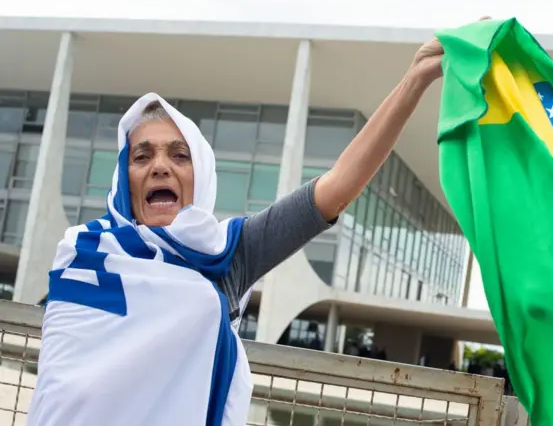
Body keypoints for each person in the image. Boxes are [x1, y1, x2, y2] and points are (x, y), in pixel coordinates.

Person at [26, 27, 456, 426]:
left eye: (179, 155)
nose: (159, 167)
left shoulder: (230, 255)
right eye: (142, 157)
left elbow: (336, 187)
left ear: (203, 177)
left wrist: (415, 79)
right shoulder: (82, 252)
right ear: (124, 177)